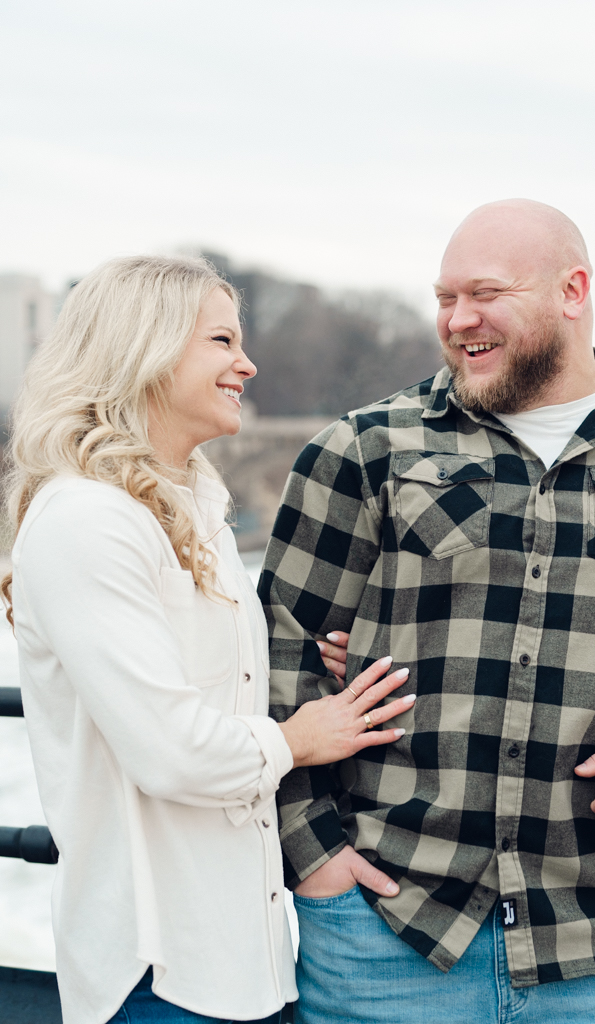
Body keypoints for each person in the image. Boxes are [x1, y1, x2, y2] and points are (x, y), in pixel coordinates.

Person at [260, 199, 595, 1024]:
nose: (457, 320)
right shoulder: (365, 450)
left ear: (572, 291)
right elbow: (278, 647)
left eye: (484, 294)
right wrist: (313, 859)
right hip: (385, 935)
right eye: (443, 298)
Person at [0, 255, 416, 1024]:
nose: (246, 364)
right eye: (221, 341)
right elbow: (171, 750)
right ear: (146, 349)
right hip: (158, 969)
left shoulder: (194, 502)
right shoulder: (88, 519)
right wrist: (299, 739)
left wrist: (338, 663)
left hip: (247, 959)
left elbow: (217, 683)